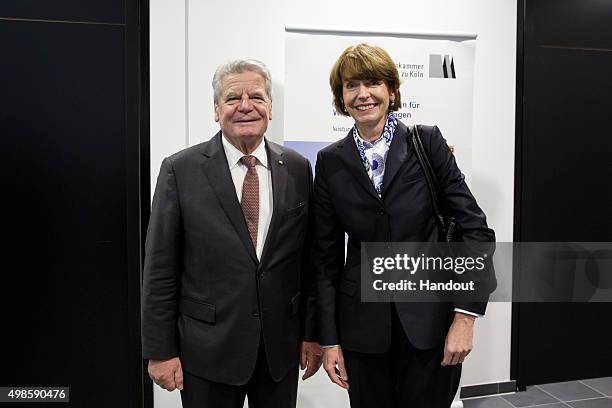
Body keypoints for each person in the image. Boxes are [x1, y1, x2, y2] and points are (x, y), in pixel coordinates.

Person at [313, 43, 495, 407]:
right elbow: (325, 259)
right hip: (363, 332)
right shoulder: (330, 161)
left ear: (391, 91)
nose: (363, 94)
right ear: (341, 97)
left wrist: (465, 316)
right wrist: (329, 341)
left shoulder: (426, 142)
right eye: (351, 86)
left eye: (373, 83)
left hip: (430, 325)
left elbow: (475, 231)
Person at [142, 59, 322, 408]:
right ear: (215, 109)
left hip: (279, 353)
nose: (245, 106)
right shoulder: (180, 170)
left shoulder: (298, 168)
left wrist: (312, 335)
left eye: (256, 96)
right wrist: (160, 351)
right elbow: (160, 269)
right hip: (207, 353)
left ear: (270, 107)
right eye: (231, 98)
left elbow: (309, 262)